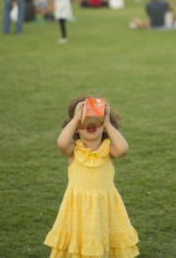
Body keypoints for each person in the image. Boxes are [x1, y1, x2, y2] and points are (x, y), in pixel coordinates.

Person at [44, 96, 139, 258]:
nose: (91, 124)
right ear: (76, 128)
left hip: (104, 209)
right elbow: (61, 143)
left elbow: (123, 149)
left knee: (103, 242)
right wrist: (76, 118)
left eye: (97, 121)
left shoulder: (108, 151)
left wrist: (107, 123)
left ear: (104, 127)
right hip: (78, 210)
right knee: (79, 243)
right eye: (85, 120)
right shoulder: (74, 150)